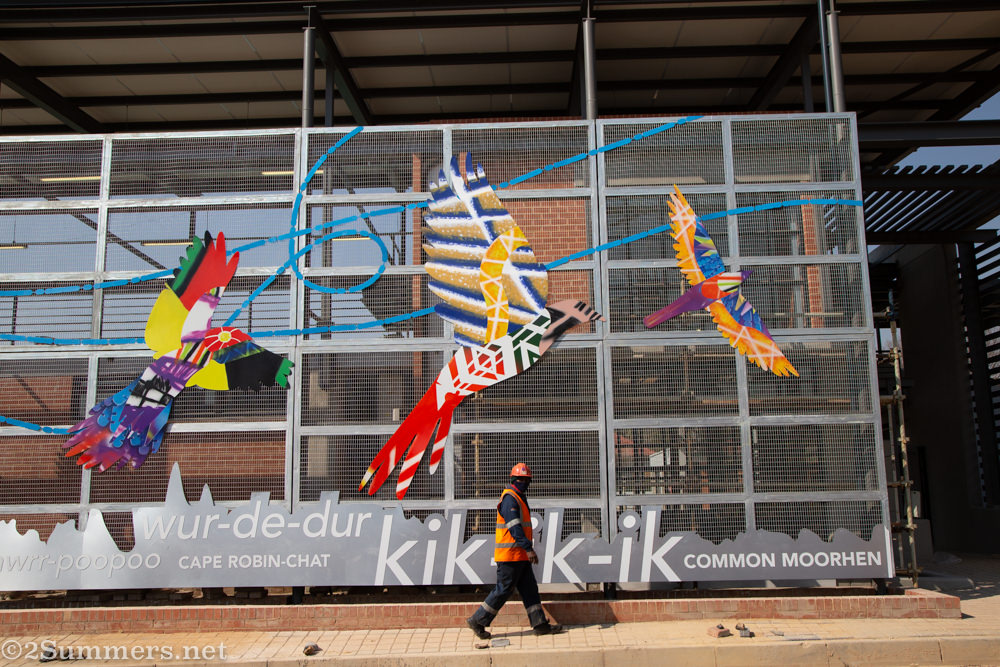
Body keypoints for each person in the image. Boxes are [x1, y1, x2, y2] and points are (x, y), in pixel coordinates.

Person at [466, 462, 563, 638]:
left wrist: (526, 550)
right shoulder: (510, 498)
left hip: (519, 556)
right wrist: (528, 548)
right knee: (504, 589)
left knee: (530, 589)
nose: (524, 483)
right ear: (513, 479)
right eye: (520, 479)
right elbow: (514, 527)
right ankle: (478, 620)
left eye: (526, 480)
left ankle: (540, 625)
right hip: (510, 555)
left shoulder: (518, 497)